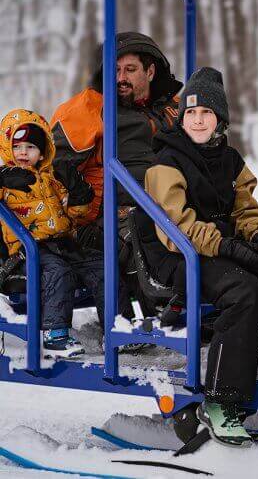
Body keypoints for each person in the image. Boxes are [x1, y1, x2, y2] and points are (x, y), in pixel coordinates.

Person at [139, 67, 258, 446]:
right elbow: (176, 224)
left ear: (220, 120)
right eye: (191, 114)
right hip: (177, 253)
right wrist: (228, 246)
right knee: (246, 292)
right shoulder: (167, 161)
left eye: (206, 113)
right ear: (182, 119)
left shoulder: (229, 159)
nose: (198, 120)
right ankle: (220, 398)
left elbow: (247, 207)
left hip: (214, 247)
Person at [51, 33, 181, 320]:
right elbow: (52, 166)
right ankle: (165, 311)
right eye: (115, 70)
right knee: (142, 230)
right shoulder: (89, 109)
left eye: (130, 70)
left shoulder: (172, 108)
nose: (120, 78)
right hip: (105, 216)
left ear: (150, 70)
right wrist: (76, 206)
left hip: (169, 202)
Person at [0, 109, 102, 358]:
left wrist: (80, 195)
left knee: (101, 265)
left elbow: (73, 216)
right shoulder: (6, 181)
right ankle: (55, 334)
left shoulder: (51, 179)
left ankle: (118, 325)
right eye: (18, 146)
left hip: (62, 243)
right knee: (58, 271)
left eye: (31, 147)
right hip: (26, 253)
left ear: (43, 152)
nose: (23, 152)